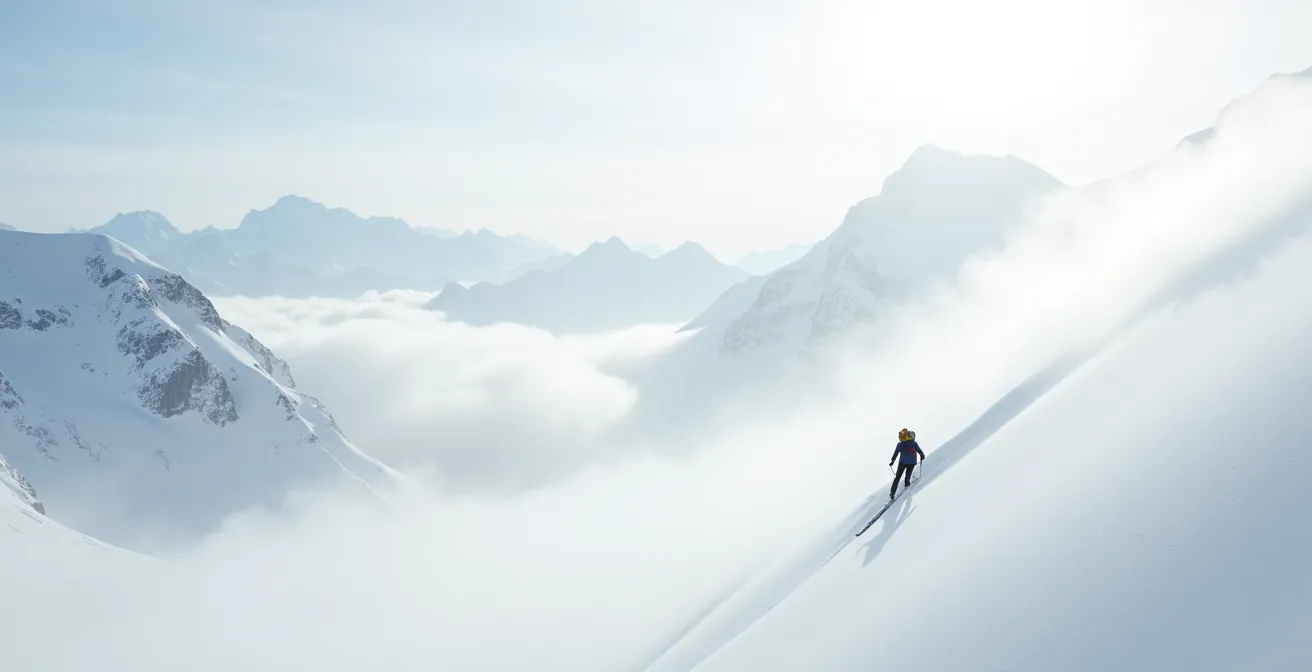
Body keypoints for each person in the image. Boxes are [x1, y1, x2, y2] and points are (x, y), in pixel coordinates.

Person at [888, 428, 925, 499]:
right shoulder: (914, 443)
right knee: (908, 475)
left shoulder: (900, 444)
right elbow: (919, 451)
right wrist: (922, 456)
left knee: (897, 477)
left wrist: (892, 461)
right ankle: (907, 484)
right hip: (912, 462)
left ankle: (892, 492)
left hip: (902, 462)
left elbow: (895, 454)